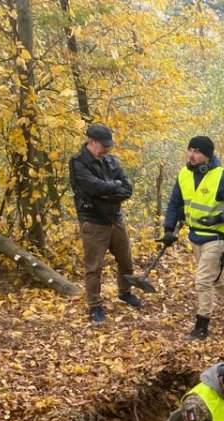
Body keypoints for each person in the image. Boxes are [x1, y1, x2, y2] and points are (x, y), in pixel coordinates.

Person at [161, 136, 224, 341]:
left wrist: (218, 218)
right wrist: (168, 229)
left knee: (203, 281)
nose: (192, 155)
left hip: (217, 237)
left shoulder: (222, 177)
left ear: (208, 156)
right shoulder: (183, 174)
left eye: (197, 151)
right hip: (195, 236)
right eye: (190, 150)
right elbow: (174, 203)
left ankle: (201, 327)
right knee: (216, 280)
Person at [68, 123, 140, 324]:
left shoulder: (112, 161)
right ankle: (95, 306)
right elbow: (92, 187)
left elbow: (127, 188)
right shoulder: (78, 162)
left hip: (115, 219)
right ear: (91, 142)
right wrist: (112, 188)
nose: (108, 148)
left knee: (126, 261)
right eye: (104, 145)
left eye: (109, 144)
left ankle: (125, 292)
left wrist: (107, 192)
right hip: (93, 221)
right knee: (94, 267)